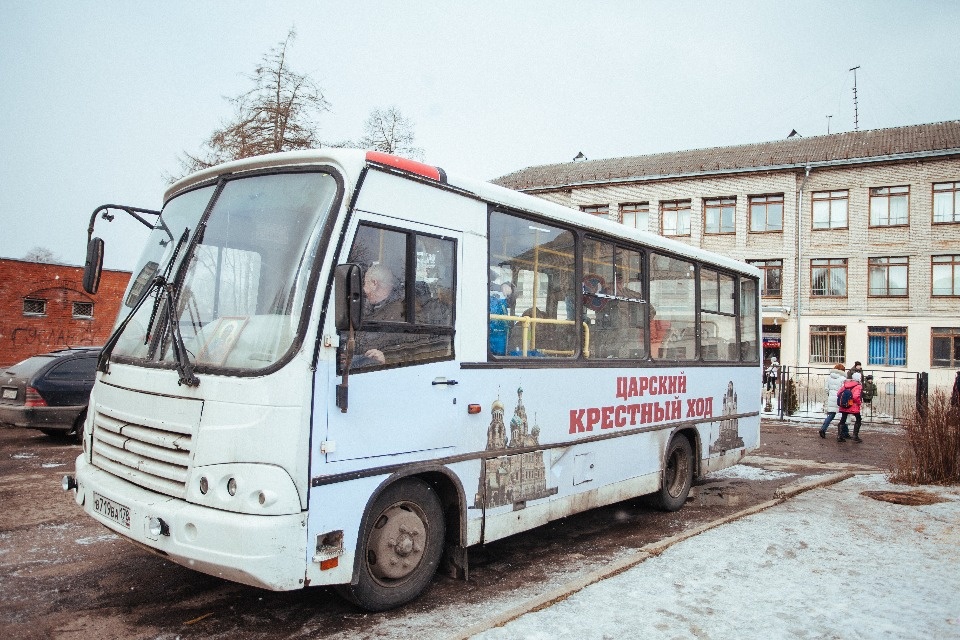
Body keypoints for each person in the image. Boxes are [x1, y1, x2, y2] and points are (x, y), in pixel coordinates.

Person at [351, 263, 404, 367]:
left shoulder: (401, 313)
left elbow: (419, 347)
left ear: (374, 283)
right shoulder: (368, 307)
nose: (364, 289)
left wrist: (388, 358)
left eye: (365, 284)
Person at [819, 363, 847, 439]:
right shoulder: (843, 379)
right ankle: (844, 432)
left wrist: (830, 394)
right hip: (839, 398)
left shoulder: (829, 377)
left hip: (831, 397)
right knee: (844, 415)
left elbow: (826, 389)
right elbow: (843, 389)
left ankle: (823, 429)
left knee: (831, 415)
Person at [836, 370, 864, 443]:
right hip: (853, 405)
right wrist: (859, 402)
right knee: (858, 419)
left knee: (843, 419)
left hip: (844, 405)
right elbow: (855, 397)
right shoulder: (858, 386)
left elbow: (838, 393)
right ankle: (855, 436)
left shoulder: (846, 384)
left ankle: (840, 436)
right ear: (859, 378)